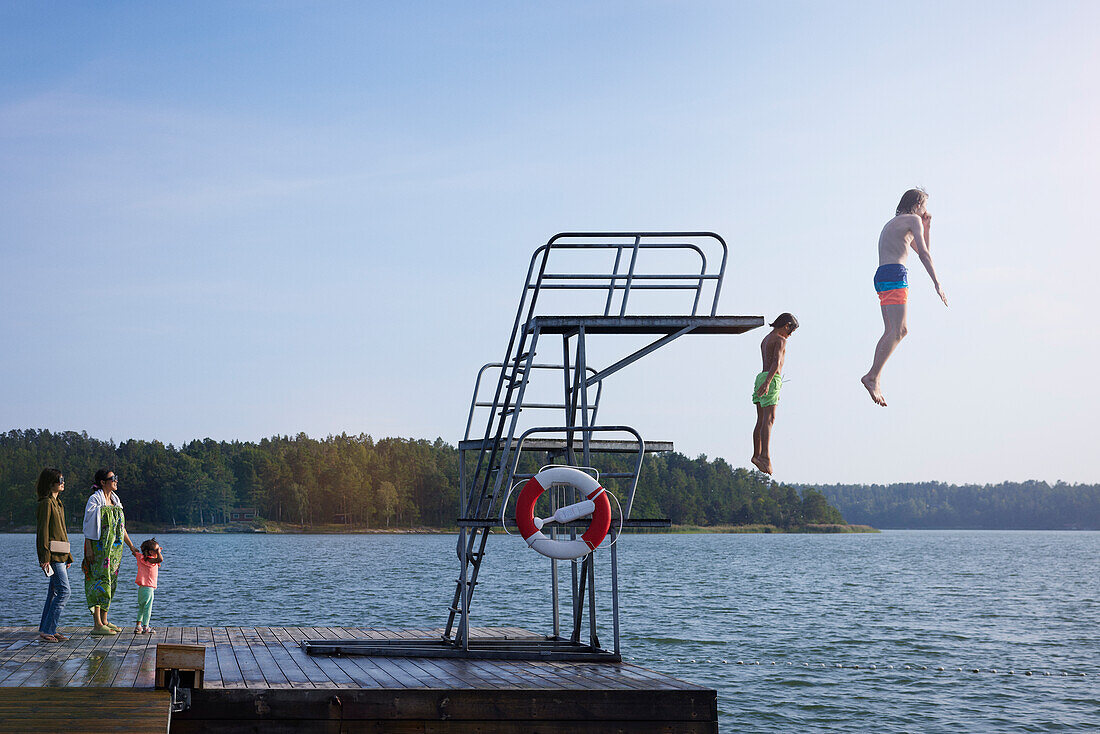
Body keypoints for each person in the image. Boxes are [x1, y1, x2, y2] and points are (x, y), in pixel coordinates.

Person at [861, 188, 948, 406]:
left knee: (892, 330)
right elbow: (926, 255)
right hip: (895, 274)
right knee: (900, 330)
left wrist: (927, 226)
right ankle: (872, 376)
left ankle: (874, 377)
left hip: (882, 275)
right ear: (918, 204)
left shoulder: (896, 222)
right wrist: (937, 283)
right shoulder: (912, 220)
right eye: (925, 206)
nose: (926, 211)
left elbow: (921, 249)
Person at [82, 469, 138, 636]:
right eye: (112, 478)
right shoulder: (95, 500)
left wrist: (131, 546)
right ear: (102, 482)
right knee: (98, 582)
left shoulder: (115, 501)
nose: (116, 481)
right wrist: (89, 549)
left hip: (114, 551)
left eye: (116, 478)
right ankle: (97, 625)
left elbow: (121, 528)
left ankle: (105, 620)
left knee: (110, 583)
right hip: (99, 550)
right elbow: (88, 527)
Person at [751, 313, 799, 476]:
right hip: (771, 379)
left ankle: (756, 454)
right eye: (791, 330)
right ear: (786, 325)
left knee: (761, 419)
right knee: (769, 419)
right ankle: (765, 456)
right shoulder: (780, 339)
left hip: (760, 376)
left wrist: (763, 381)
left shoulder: (766, 339)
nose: (791, 335)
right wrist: (768, 383)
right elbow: (776, 362)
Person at [35, 468, 73, 643]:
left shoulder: (59, 503)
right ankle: (49, 630)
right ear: (51, 483)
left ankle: (47, 629)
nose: (63, 482)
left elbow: (62, 532)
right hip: (52, 556)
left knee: (53, 593)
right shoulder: (46, 503)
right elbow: (43, 531)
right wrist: (44, 556)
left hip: (61, 554)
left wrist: (69, 556)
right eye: (60, 479)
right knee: (64, 591)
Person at [132, 538, 163, 634]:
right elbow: (160, 559)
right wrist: (159, 552)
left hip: (141, 588)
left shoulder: (140, 558)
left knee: (141, 607)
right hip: (149, 588)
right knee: (148, 608)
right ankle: (146, 627)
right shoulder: (152, 561)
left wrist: (133, 548)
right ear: (151, 552)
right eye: (157, 549)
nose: (159, 551)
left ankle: (138, 626)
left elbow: (134, 552)